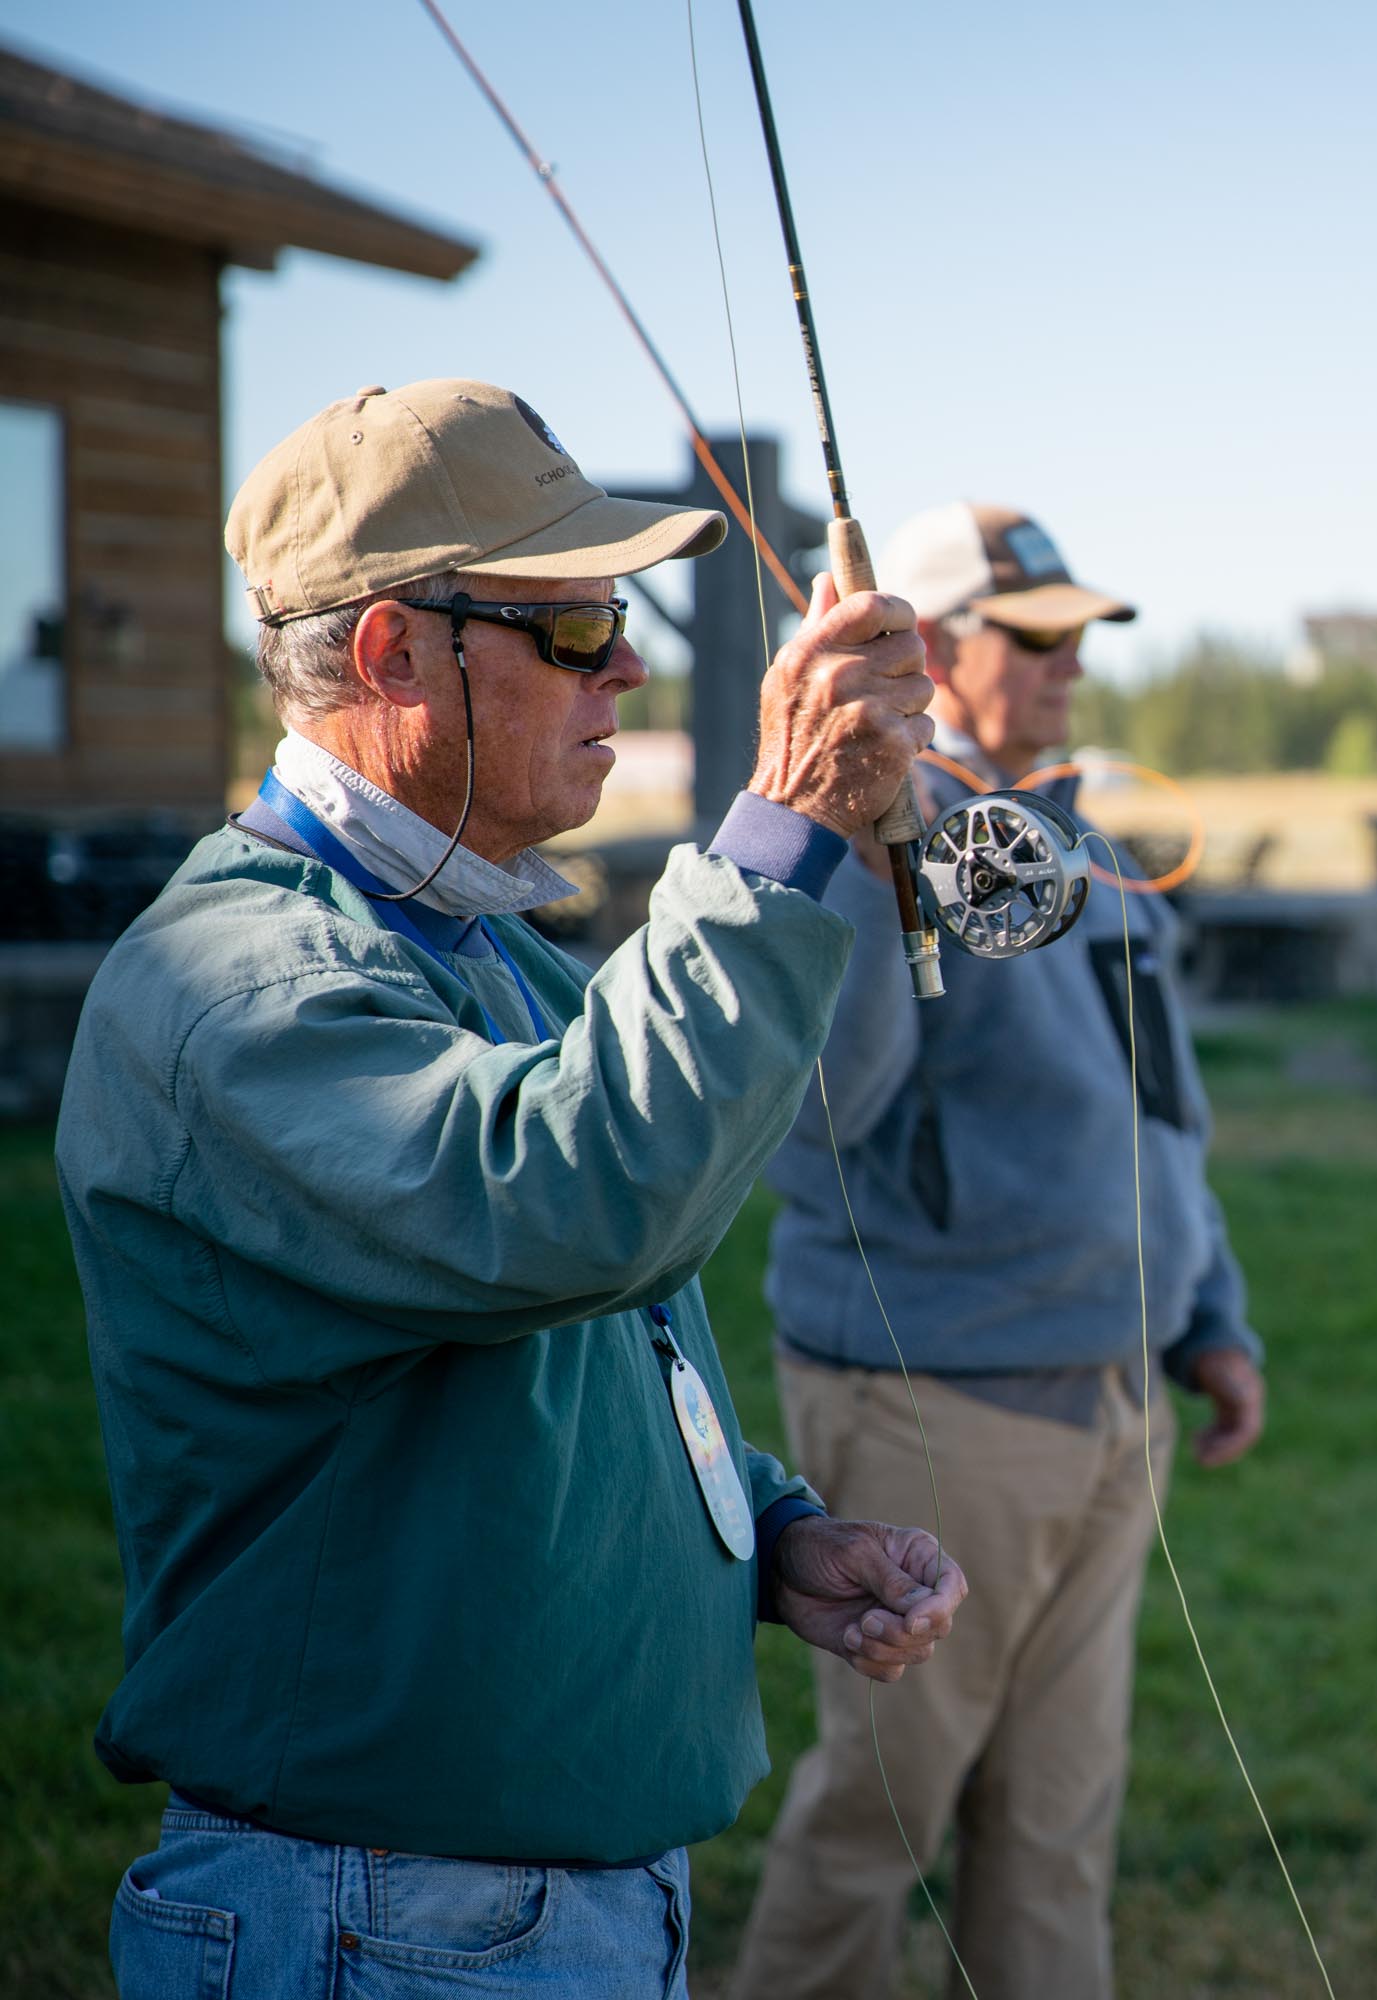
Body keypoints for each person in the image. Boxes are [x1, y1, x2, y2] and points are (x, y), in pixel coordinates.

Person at [60, 378, 960, 1996]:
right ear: (396, 652)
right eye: (574, 625)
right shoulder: (237, 984)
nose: (630, 662)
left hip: (506, 1906)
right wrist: (789, 829)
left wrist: (769, 1537)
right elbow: (571, 1207)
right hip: (381, 1914)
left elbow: (579, 1333)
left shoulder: (480, 949)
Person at [737, 502, 1267, 2000]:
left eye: (1081, 636)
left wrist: (1206, 1313)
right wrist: (861, 830)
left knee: (1058, 1819)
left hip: (1113, 1393)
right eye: (1036, 636)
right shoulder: (867, 817)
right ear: (933, 643)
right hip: (939, 1395)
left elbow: (1162, 1102)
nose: (1069, 664)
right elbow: (819, 1109)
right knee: (879, 1815)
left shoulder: (1074, 834)